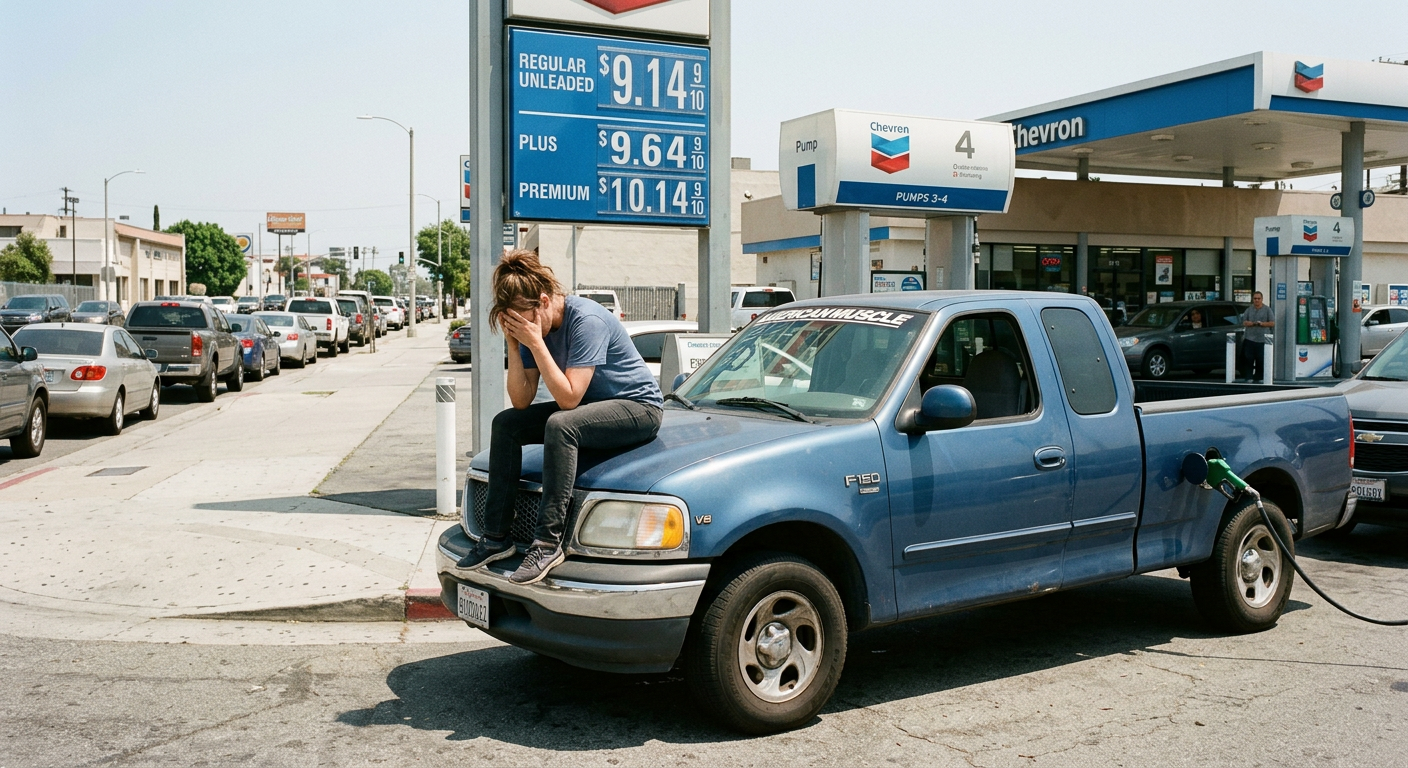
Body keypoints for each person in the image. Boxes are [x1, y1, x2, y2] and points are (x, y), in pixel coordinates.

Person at [456, 250, 664, 585]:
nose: (521, 327)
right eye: (514, 323)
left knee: (561, 425)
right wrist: (514, 345)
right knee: (506, 424)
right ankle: (496, 538)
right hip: (589, 409)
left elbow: (568, 399)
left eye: (523, 320)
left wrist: (536, 344)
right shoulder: (530, 330)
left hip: (637, 408)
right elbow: (521, 400)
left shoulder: (586, 320)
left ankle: (547, 543)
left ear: (542, 300)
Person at [1239, 292, 1274, 381]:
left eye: (1258, 298)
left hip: (1262, 339)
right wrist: (1251, 323)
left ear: (1262, 299)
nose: (1257, 300)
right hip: (1249, 339)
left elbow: (1272, 323)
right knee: (1248, 358)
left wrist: (1262, 324)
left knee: (1261, 359)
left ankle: (1259, 377)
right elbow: (1244, 322)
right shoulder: (1249, 309)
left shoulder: (1267, 310)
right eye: (1255, 298)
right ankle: (1249, 377)